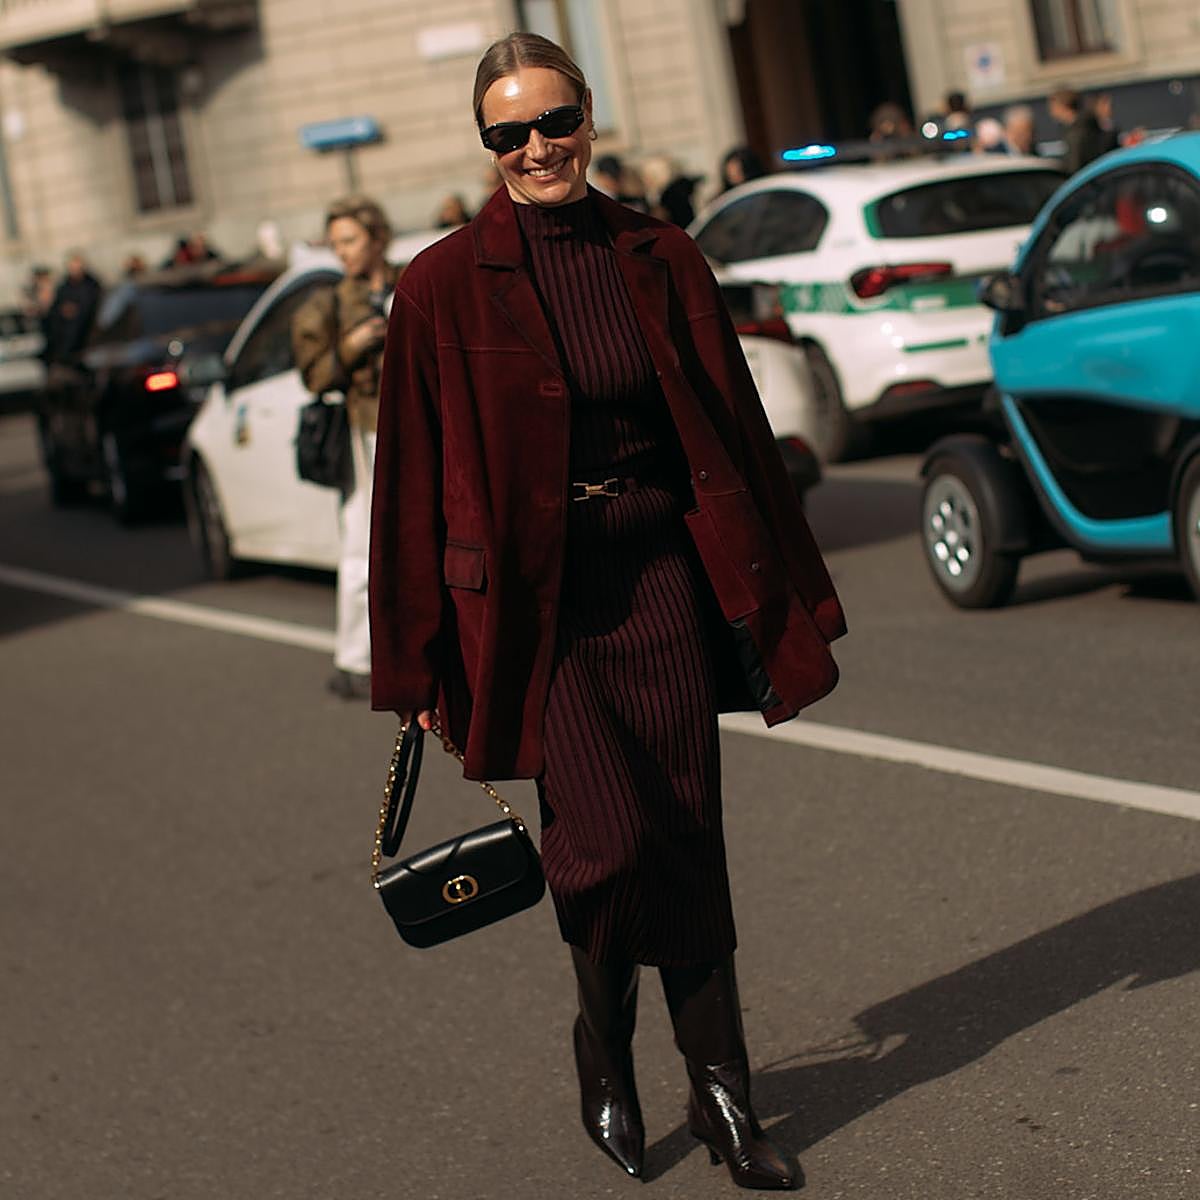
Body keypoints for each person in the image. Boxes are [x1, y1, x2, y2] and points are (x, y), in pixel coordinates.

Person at [369, 31, 846, 1190]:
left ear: (590, 117)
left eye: (555, 122)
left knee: (683, 831)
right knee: (607, 842)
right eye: (509, 133)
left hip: (660, 586)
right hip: (541, 613)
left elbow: (733, 429)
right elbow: (411, 484)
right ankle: (606, 1047)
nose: (538, 149)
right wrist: (417, 665)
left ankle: (727, 1093)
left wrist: (790, 589)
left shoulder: (659, 253)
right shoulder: (438, 284)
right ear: (486, 147)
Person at [293, 195, 397, 699]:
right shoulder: (329, 303)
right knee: (362, 544)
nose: (344, 253)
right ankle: (356, 658)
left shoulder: (413, 281)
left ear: (377, 237)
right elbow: (313, 375)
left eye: (351, 240)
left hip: (426, 424)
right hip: (366, 429)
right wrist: (352, 346)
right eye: (336, 244)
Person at [42, 252, 100, 364]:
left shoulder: (91, 284)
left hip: (85, 322)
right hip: (65, 323)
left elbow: (92, 303)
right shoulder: (64, 285)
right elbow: (57, 304)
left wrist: (77, 309)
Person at [1049, 87, 1110, 174]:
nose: (1051, 112)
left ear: (1062, 106)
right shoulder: (1086, 125)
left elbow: (1075, 166)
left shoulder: (1077, 133)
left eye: (1053, 107)